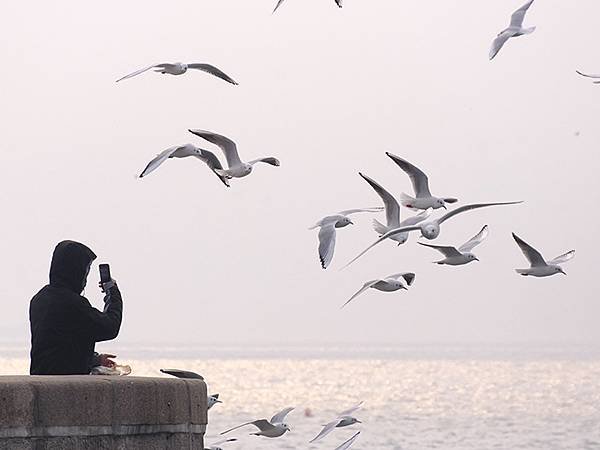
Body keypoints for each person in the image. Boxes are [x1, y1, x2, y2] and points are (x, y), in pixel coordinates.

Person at [29, 240, 123, 375]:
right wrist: (112, 291)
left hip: (42, 378)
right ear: (76, 271)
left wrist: (95, 360)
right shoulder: (73, 304)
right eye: (85, 271)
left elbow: (58, 346)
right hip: (63, 388)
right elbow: (110, 327)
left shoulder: (39, 299)